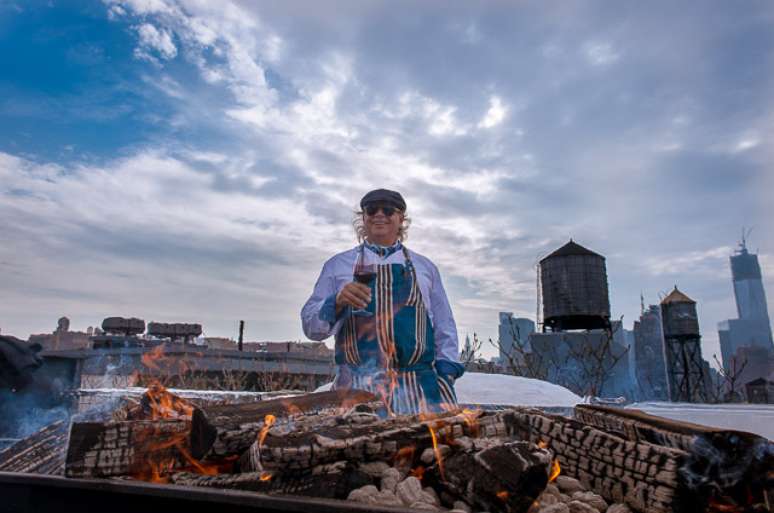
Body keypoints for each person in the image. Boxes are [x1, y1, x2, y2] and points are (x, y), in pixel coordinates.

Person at [301, 189, 464, 414]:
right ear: (363, 217)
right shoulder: (337, 266)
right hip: (356, 389)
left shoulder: (425, 268)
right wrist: (336, 302)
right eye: (372, 209)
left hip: (420, 388)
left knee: (431, 446)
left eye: (388, 210)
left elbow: (445, 325)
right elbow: (312, 328)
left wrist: (446, 374)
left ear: (401, 219)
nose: (380, 214)